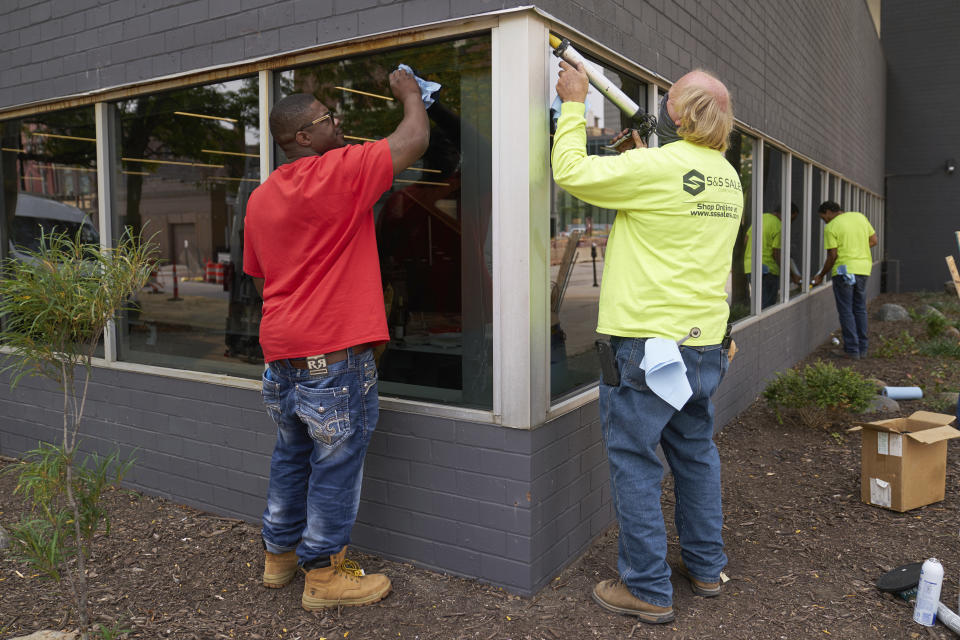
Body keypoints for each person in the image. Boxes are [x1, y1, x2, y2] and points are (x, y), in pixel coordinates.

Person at [552, 62, 742, 624]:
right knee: (695, 454)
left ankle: (648, 589)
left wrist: (572, 101)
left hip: (648, 348)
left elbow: (570, 170)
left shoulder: (655, 167)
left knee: (635, 461)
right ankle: (707, 567)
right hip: (703, 343)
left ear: (676, 114)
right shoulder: (727, 175)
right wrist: (638, 158)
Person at [242, 69, 429, 610]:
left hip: (282, 352)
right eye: (328, 118)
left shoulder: (260, 198)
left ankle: (278, 557)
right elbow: (412, 140)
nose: (339, 123)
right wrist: (410, 95)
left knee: (291, 452)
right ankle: (324, 576)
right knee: (335, 462)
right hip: (333, 352)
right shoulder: (338, 171)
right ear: (302, 136)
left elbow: (261, 273)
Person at [811, 201, 878, 358]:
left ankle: (851, 349)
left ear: (828, 212)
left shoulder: (831, 226)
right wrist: (858, 249)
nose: (824, 221)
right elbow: (874, 241)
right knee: (859, 308)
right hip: (863, 269)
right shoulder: (860, 217)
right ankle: (862, 348)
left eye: (823, 218)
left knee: (846, 309)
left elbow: (832, 256)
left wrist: (820, 275)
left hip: (844, 271)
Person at [743, 204, 800, 308]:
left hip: (750, 267)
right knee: (767, 306)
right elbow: (776, 253)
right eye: (792, 219)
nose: (791, 222)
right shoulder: (779, 226)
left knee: (757, 304)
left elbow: (746, 240)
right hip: (768, 270)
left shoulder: (761, 218)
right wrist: (791, 274)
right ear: (787, 214)